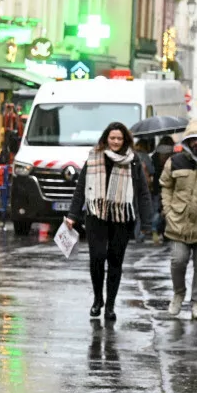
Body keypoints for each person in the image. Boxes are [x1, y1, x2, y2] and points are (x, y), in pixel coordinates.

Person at [65, 122, 153, 321]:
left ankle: (110, 306)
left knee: (115, 260)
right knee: (97, 257)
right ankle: (98, 299)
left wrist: (147, 223)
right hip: (96, 215)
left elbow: (143, 192)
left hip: (122, 218)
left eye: (119, 139)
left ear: (125, 141)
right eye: (112, 138)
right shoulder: (95, 157)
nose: (115, 142)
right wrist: (72, 215)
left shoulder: (133, 161)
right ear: (106, 139)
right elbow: (81, 187)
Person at [160, 121, 197, 319]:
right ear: (188, 141)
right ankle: (178, 294)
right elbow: (165, 185)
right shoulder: (175, 161)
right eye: (193, 140)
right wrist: (167, 210)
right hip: (178, 222)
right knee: (178, 261)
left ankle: (196, 302)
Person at [153, 136, 176, 241]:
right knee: (168, 209)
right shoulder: (172, 154)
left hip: (156, 184)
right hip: (169, 182)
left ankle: (155, 230)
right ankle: (167, 232)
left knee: (157, 210)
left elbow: (152, 168)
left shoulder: (155, 154)